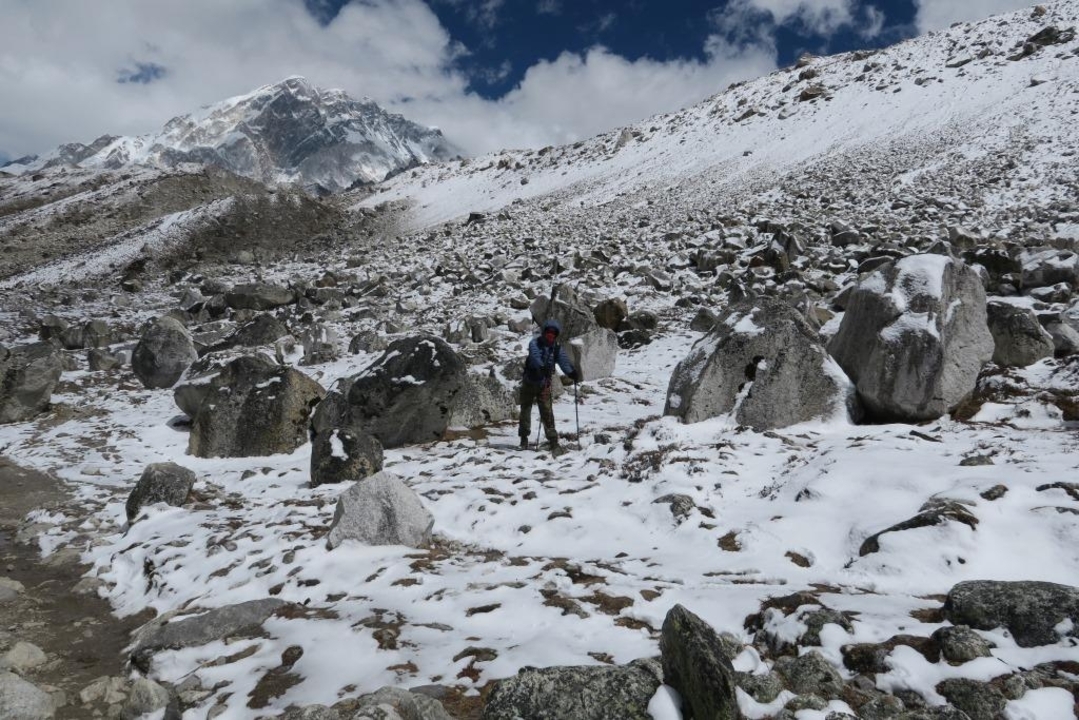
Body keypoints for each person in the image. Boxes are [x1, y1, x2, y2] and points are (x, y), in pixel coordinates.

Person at [519, 319, 578, 453]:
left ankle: (553, 441)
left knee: (547, 413)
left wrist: (571, 372)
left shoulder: (556, 348)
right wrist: (542, 367)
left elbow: (563, 361)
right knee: (525, 411)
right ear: (544, 332)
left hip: (543, 385)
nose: (551, 336)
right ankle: (523, 438)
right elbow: (534, 357)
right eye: (549, 333)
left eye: (553, 334)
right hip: (529, 382)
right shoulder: (534, 343)